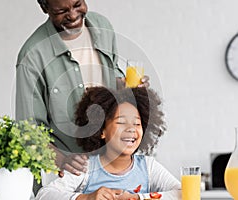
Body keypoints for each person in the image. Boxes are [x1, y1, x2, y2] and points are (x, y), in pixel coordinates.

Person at [15, 0, 150, 185]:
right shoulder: (32, 56)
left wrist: (126, 87)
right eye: (61, 10)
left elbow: (111, 79)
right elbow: (27, 132)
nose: (72, 15)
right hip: (66, 179)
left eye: (77, 4)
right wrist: (62, 160)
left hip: (110, 172)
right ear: (45, 8)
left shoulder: (103, 27)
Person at [35, 86, 181, 200]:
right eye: (121, 122)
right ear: (101, 131)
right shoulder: (86, 167)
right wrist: (86, 198)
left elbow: (183, 193)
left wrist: (137, 197)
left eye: (137, 124)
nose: (131, 129)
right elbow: (44, 195)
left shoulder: (148, 167)